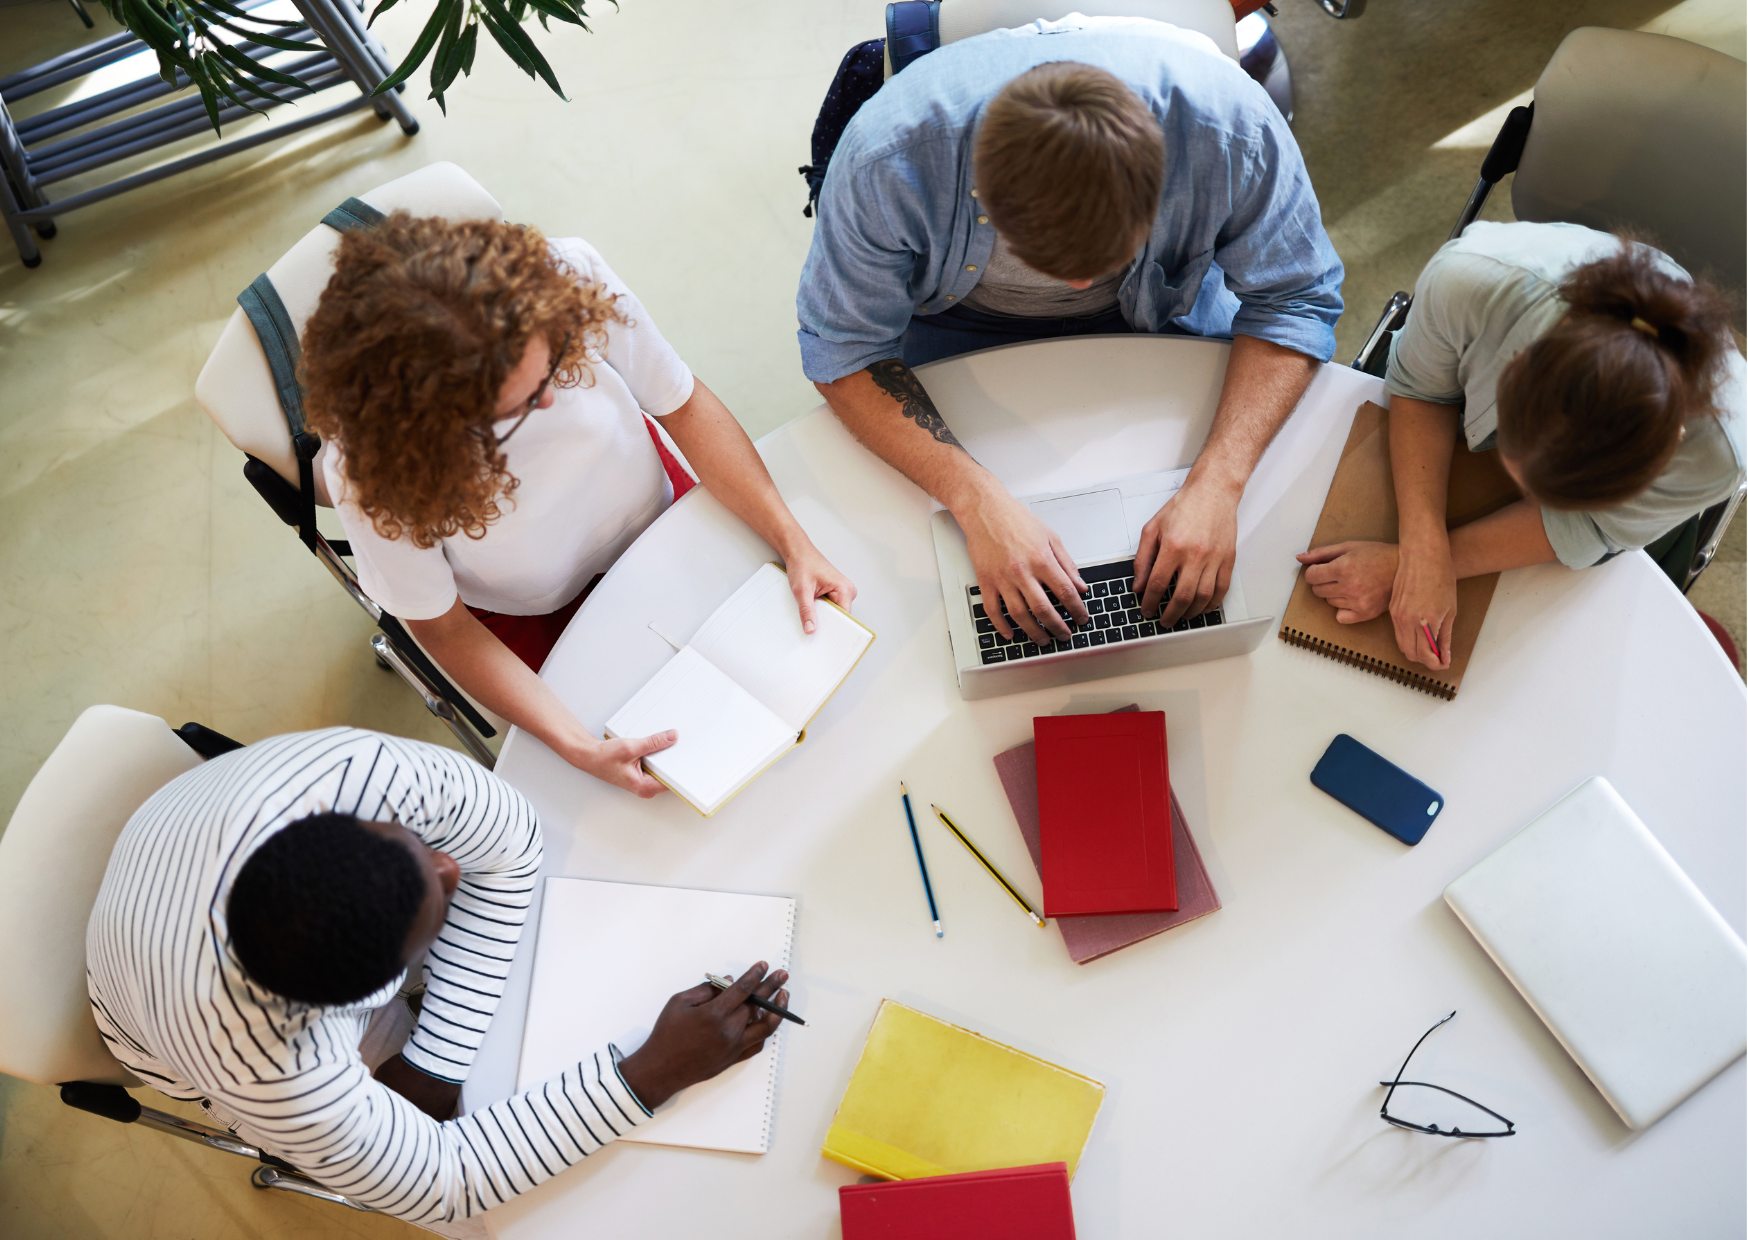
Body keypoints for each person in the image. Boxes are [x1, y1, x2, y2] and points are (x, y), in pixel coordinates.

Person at [86, 728, 788, 1223]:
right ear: (369, 994)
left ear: (344, 824)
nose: (450, 867)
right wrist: (652, 1073)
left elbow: (510, 845)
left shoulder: (353, 772)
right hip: (154, 1019)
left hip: (169, 863)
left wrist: (434, 1067)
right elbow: (446, 1185)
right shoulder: (271, 1068)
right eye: (438, 907)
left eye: (414, 848)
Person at [796, 16, 1343, 645]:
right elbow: (845, 350)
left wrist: (1220, 484)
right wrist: (976, 503)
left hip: (1162, 312)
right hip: (957, 321)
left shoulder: (1231, 134)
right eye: (1045, 261)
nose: (1081, 288)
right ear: (981, 191)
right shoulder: (884, 164)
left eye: (1106, 259)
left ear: (1160, 185)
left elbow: (1295, 296)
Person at [301, 215, 856, 797]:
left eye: (551, 362)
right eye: (509, 410)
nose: (548, 399)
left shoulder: (566, 275)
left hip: (653, 508)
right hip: (526, 610)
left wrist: (794, 541)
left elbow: (682, 405)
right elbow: (443, 629)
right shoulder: (372, 471)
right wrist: (579, 746)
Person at [1299, 221, 1744, 670]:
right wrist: (1421, 552)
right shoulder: (1468, 280)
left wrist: (1414, 565)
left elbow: (1590, 527)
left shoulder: (1720, 454)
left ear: (1668, 452)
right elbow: (1422, 391)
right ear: (1513, 366)